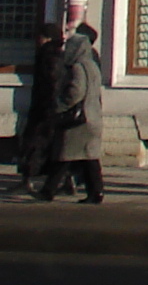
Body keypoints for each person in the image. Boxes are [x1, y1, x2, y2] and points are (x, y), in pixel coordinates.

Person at [36, 21, 104, 204]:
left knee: (64, 155)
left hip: (79, 121)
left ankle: (47, 191)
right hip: (93, 118)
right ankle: (96, 192)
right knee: (89, 158)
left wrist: (59, 105)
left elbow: (75, 92)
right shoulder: (93, 66)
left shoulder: (78, 67)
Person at [13, 24, 64, 197]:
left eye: (41, 36)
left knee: (35, 146)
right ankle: (60, 182)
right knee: (50, 148)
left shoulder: (48, 56)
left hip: (45, 110)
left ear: (47, 38)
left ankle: (29, 181)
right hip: (47, 109)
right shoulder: (54, 55)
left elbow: (52, 84)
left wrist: (48, 107)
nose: (38, 40)